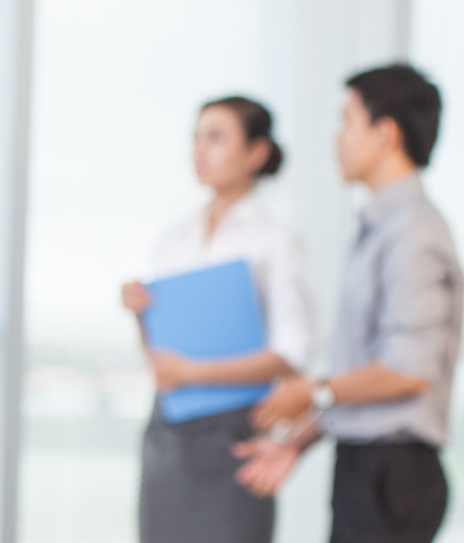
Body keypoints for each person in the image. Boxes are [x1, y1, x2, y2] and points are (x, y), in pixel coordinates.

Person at [237, 64, 463, 543]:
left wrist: (312, 391)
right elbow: (368, 372)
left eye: (347, 121)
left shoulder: (412, 234)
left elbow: (408, 370)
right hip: (367, 466)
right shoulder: (383, 227)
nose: (336, 137)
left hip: (393, 473)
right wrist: (298, 441)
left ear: (385, 133)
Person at [120, 96, 319, 543]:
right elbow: (161, 357)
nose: (200, 151)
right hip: (170, 432)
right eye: (196, 138)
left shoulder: (276, 240)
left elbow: (293, 352)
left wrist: (195, 372)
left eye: (216, 138)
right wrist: (140, 315)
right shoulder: (172, 238)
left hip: (236, 433)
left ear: (256, 152)